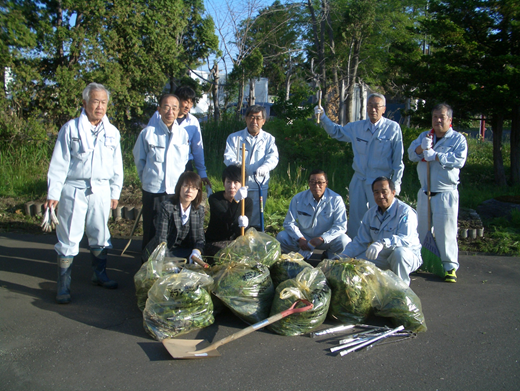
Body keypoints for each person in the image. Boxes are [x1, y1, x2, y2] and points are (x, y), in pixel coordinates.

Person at [45, 82, 123, 304]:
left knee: (100, 233)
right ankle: (63, 285)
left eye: (104, 102)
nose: (100, 106)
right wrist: (53, 193)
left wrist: (115, 192)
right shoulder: (70, 129)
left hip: (101, 189)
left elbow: (117, 166)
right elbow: (59, 162)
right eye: (95, 101)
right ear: (85, 103)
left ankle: (99, 274)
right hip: (74, 188)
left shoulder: (112, 132)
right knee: (69, 235)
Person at [315, 93, 404, 238]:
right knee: (356, 216)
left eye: (376, 106)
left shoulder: (392, 129)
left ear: (384, 109)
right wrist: (324, 117)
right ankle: (353, 251)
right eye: (370, 105)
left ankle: (379, 250)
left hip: (380, 181)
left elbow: (398, 161)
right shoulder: (357, 127)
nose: (373, 109)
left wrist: (396, 183)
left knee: (380, 216)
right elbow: (337, 132)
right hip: (359, 179)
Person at [408, 103, 468, 283]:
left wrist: (437, 155)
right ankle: (419, 261)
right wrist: (422, 148)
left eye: (442, 117)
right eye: (435, 117)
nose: (438, 120)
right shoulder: (425, 136)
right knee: (422, 230)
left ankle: (449, 266)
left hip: (445, 193)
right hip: (425, 192)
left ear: (450, 119)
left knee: (445, 232)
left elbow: (459, 160)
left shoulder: (457, 139)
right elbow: (411, 154)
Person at [337, 177, 422, 286]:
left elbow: (406, 239)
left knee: (399, 254)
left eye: (384, 192)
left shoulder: (406, 212)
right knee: (357, 264)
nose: (380, 196)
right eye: (376, 192)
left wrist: (382, 243)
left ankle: (402, 292)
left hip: (407, 255)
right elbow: (360, 241)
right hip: (381, 254)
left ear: (393, 192)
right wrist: (343, 256)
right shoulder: (371, 213)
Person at [133, 94, 189, 251]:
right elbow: (140, 160)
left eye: (174, 108)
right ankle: (146, 267)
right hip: (153, 191)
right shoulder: (148, 133)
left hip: (174, 191)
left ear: (179, 111)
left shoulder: (183, 134)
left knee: (171, 230)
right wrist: (147, 179)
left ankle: (166, 268)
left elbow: (183, 161)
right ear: (159, 109)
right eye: (166, 107)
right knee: (151, 230)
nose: (170, 111)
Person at [224, 105, 279, 228]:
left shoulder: (269, 139)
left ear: (263, 121)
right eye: (251, 117)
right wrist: (237, 166)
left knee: (256, 216)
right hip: (238, 184)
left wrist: (265, 167)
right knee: (238, 213)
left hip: (259, 183)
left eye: (258, 118)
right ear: (246, 119)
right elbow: (228, 156)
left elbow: (273, 157)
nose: (254, 121)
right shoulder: (234, 138)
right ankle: (236, 237)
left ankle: (254, 238)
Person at [276, 169, 351, 259]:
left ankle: (329, 257)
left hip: (326, 239)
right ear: (308, 184)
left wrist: (322, 238)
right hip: (304, 238)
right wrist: (300, 238)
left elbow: (340, 226)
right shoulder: (298, 198)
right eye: (313, 182)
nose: (316, 186)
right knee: (281, 237)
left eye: (320, 182)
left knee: (344, 241)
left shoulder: (336, 199)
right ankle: (299, 258)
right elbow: (289, 222)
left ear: (326, 183)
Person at [147, 86, 211, 188]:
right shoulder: (158, 116)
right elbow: (147, 139)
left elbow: (197, 148)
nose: (188, 106)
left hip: (185, 164)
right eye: (185, 101)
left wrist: (202, 173)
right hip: (161, 162)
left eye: (191, 103)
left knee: (183, 196)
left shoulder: (193, 121)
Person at [142, 171, 205, 263]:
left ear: (198, 192)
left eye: (194, 188)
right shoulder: (167, 207)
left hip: (185, 252)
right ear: (179, 187)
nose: (189, 191)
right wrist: (169, 262)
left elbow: (200, 238)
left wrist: (196, 252)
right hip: (164, 251)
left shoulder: (199, 210)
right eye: (186, 186)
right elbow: (161, 239)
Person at [205, 165, 253, 256]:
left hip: (236, 243)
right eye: (228, 182)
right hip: (215, 243)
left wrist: (245, 225)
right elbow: (227, 219)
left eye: (236, 182)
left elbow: (244, 230)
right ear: (223, 183)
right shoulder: (215, 199)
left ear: (242, 184)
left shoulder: (247, 202)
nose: (232, 186)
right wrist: (236, 200)